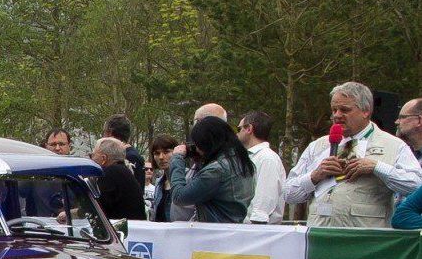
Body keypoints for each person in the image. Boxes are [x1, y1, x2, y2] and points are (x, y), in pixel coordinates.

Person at [285, 81, 422, 227]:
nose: (337, 115)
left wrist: (377, 167)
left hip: (366, 241)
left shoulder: (394, 145)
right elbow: (288, 194)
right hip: (320, 236)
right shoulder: (318, 146)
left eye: (344, 110)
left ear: (366, 111)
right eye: (334, 110)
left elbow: (416, 185)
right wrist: (314, 176)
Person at [173, 117, 256, 223]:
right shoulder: (243, 162)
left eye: (198, 145)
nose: (197, 149)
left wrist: (177, 158)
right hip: (232, 228)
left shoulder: (216, 170)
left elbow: (179, 197)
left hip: (214, 233)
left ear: (207, 144)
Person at [236, 112, 288, 224]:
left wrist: (254, 232)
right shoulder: (252, 157)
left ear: (249, 129)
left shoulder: (267, 158)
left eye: (238, 129)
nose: (237, 133)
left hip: (255, 234)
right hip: (245, 232)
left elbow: (262, 207)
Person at [91, 137, 145, 220]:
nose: (91, 159)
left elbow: (97, 208)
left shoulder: (109, 174)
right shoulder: (122, 171)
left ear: (103, 159)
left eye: (92, 155)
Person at [103, 114, 146, 189]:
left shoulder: (127, 157)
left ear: (110, 132)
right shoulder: (132, 155)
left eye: (104, 132)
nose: (103, 137)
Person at [145, 133, 179, 222]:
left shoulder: (188, 178)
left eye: (166, 152)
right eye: (157, 153)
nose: (161, 157)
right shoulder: (159, 182)